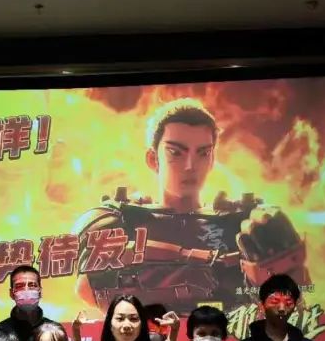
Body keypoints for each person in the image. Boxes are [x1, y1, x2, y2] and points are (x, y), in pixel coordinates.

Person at [74, 97, 307, 314]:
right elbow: (89, 290)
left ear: (212, 159)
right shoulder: (121, 220)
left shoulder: (244, 224)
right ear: (153, 159)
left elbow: (291, 309)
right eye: (175, 152)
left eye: (202, 153)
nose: (190, 166)